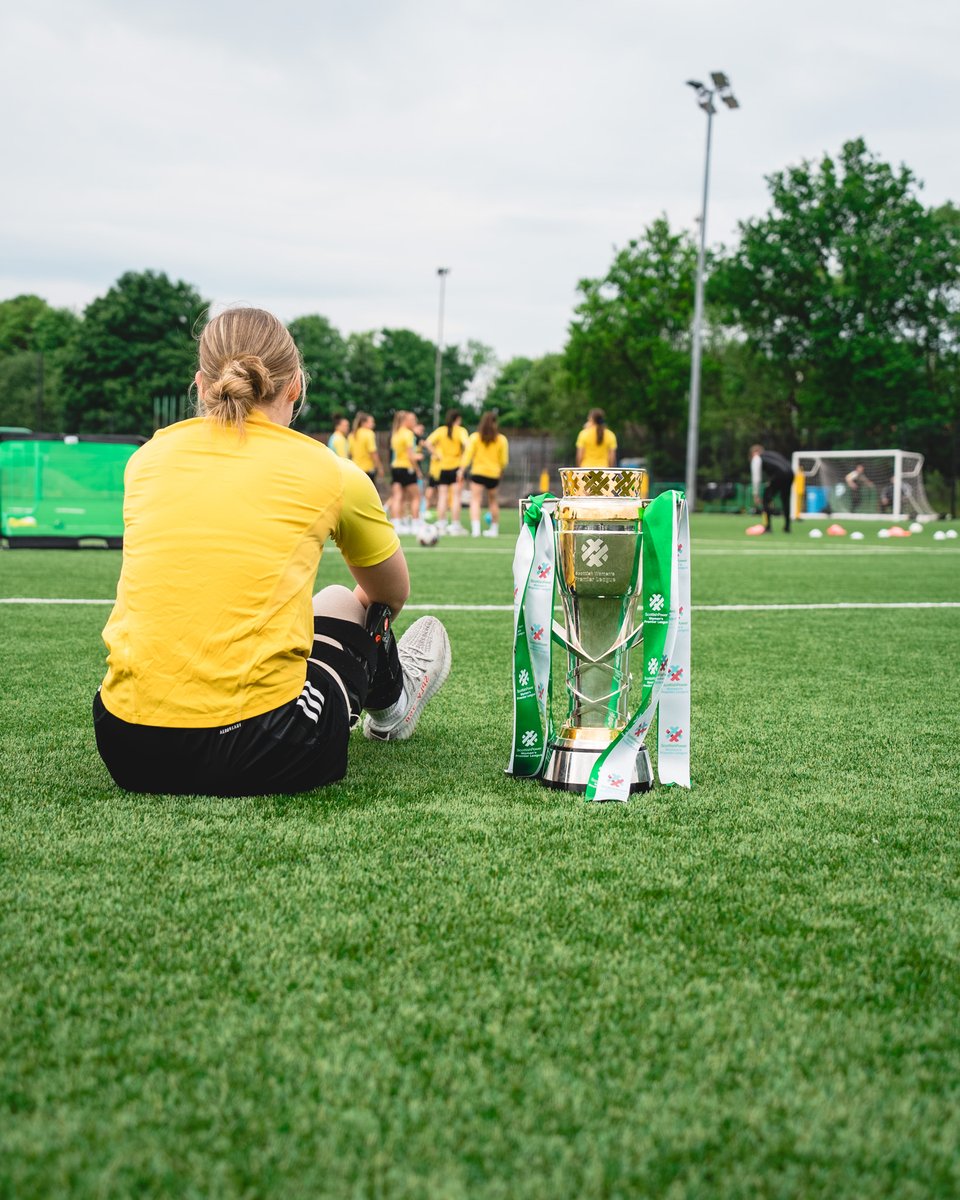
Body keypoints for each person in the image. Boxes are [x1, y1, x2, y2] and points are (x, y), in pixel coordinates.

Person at [92, 307, 451, 797]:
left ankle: (384, 694)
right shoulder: (330, 470)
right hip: (264, 747)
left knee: (309, 606)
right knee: (347, 602)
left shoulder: (146, 459)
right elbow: (391, 593)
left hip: (127, 746)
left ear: (200, 385)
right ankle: (394, 701)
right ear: (295, 387)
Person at [458, 410, 509, 537]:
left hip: (478, 473)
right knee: (493, 501)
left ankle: (476, 530)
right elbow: (504, 460)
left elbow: (467, 456)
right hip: (494, 474)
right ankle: (494, 529)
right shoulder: (501, 439)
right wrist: (501, 471)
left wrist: (461, 470)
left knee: (475, 500)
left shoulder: (475, 437)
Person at [425, 409, 469, 535]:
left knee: (442, 497)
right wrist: (463, 460)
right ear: (458, 419)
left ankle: (442, 523)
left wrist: (436, 454)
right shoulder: (461, 431)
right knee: (456, 497)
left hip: (442, 467)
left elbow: (427, 443)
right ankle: (455, 525)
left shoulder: (441, 430)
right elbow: (467, 444)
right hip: (456, 467)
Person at [750, 444, 795, 533]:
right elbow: (781, 467)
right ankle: (787, 527)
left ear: (754, 453)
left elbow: (756, 478)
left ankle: (768, 527)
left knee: (766, 498)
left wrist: (756, 494)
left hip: (779, 475)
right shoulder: (773, 454)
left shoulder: (757, 458)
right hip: (791, 473)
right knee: (785, 499)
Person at [390, 410, 422, 533]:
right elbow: (410, 455)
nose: (415, 422)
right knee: (416, 497)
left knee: (398, 497)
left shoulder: (396, 433)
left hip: (396, 467)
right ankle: (415, 524)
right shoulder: (408, 434)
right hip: (407, 467)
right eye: (413, 420)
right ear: (406, 420)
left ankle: (397, 524)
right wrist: (417, 469)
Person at [348, 411, 382, 485]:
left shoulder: (352, 435)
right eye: (371, 422)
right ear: (364, 423)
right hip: (367, 469)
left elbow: (350, 453)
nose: (374, 424)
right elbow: (373, 452)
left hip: (355, 469)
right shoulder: (369, 433)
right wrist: (379, 467)